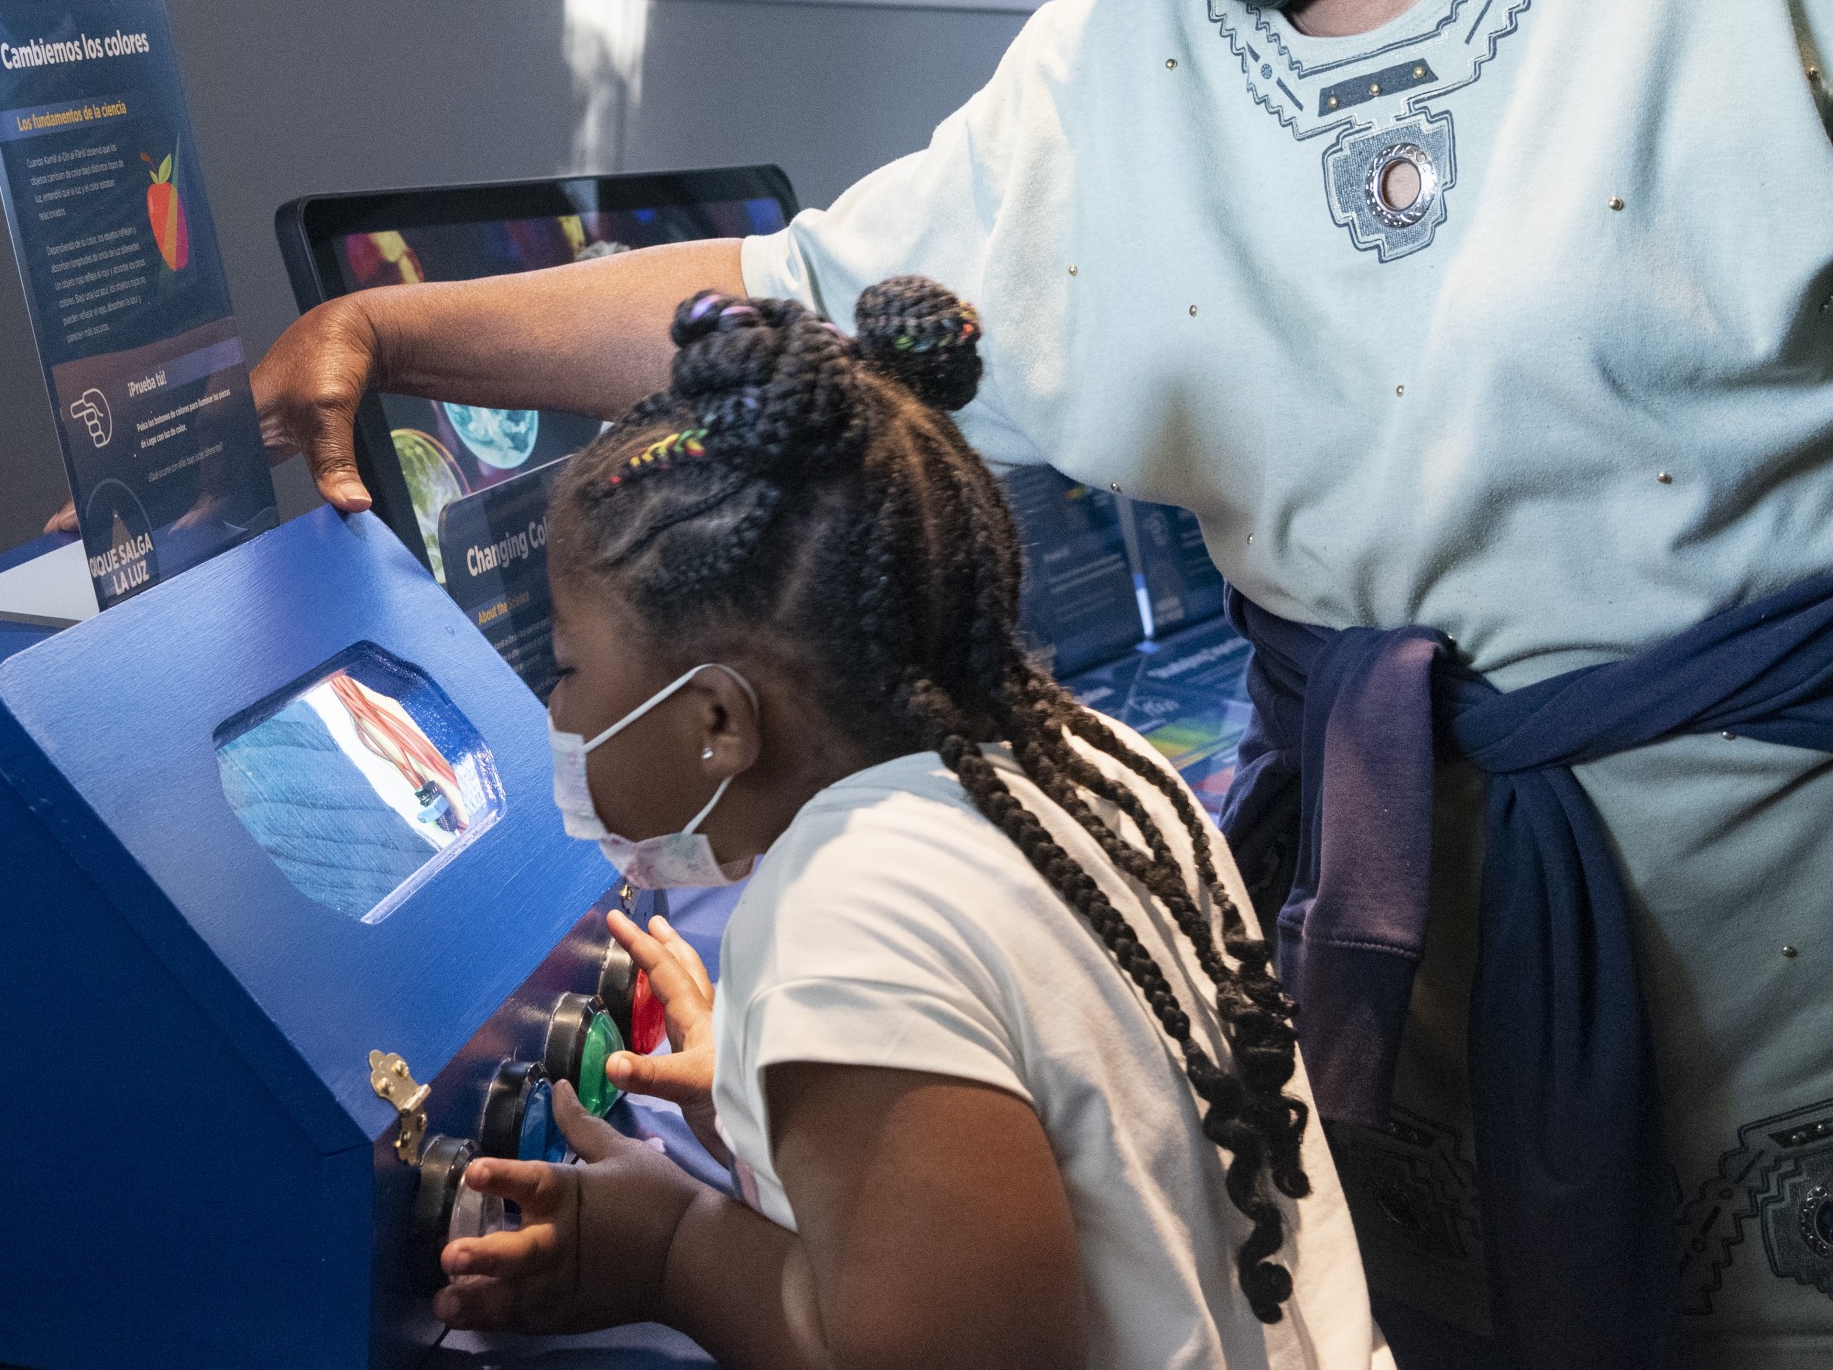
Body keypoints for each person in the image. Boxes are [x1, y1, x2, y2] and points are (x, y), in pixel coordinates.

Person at [249, 0, 1833, 1365]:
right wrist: (393, 334)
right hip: (1412, 929)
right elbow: (790, 304)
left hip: (1770, 919)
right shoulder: (1123, 55)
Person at [431, 278, 1391, 1369]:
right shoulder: (1083, 762)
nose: (556, 711)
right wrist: (774, 1113)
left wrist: (672, 1247)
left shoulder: (848, 918)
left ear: (715, 720)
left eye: (564, 668)